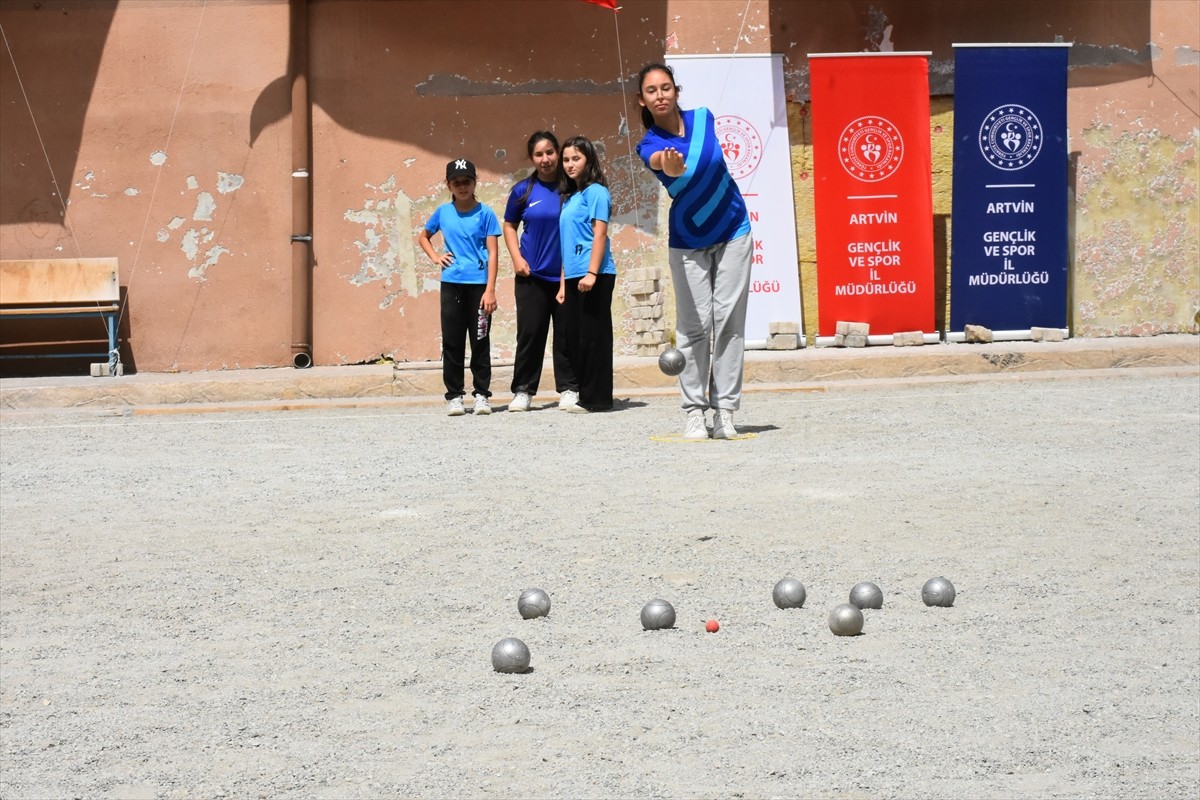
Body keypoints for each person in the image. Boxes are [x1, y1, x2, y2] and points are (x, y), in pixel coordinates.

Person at [635, 62, 753, 440]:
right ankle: (693, 411)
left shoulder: (704, 118)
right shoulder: (649, 145)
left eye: (665, 87)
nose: (660, 95)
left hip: (734, 229)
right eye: (651, 91)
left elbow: (710, 160)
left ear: (676, 90)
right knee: (695, 327)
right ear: (643, 100)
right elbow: (660, 163)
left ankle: (725, 412)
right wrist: (667, 164)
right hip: (687, 241)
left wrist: (682, 161)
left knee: (730, 322)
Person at [417, 158, 501, 416]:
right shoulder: (443, 212)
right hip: (452, 285)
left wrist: (490, 290)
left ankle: (481, 395)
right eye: (457, 182)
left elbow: (493, 253)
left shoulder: (486, 213)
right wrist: (435, 257)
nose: (462, 187)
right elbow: (423, 236)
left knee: (480, 340)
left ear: (475, 182)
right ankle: (454, 396)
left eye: (467, 181)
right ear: (448, 184)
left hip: (478, 286)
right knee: (453, 341)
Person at [502, 131, 576, 413]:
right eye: (538, 154)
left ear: (558, 153)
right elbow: (509, 225)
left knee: (566, 335)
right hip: (531, 276)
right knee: (530, 335)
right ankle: (523, 391)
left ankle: (569, 389)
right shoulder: (523, 190)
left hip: (565, 276)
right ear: (532, 158)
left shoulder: (571, 188)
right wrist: (517, 258)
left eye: (550, 153)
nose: (545, 159)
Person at [558, 135, 617, 412]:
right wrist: (562, 284)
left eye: (576, 158)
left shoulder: (596, 192)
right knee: (576, 337)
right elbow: (567, 241)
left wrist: (592, 273)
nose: (570, 164)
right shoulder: (571, 197)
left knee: (594, 337)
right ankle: (586, 394)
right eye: (566, 159)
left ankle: (598, 398)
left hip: (594, 274)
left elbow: (600, 233)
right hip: (572, 276)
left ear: (589, 159)